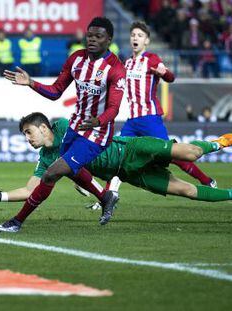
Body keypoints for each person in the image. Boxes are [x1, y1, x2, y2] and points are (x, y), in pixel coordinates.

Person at [0, 113, 232, 232]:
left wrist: (83, 178)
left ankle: (221, 142)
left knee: (191, 154)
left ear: (44, 127)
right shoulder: (47, 160)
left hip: (130, 150)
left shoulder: (64, 126)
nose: (27, 138)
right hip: (127, 173)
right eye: (25, 135)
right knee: (185, 190)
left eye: (29, 132)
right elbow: (31, 189)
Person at [1, 17, 126, 231]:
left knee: (51, 172)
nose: (92, 40)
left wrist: (98, 120)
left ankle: (17, 221)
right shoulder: (76, 59)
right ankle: (106, 197)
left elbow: (114, 108)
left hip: (97, 133)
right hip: (76, 127)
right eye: (90, 36)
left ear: (109, 40)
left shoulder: (115, 68)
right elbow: (56, 91)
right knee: (70, 171)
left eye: (99, 36)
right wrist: (31, 83)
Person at [92, 21, 216, 203]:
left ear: (147, 41)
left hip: (150, 119)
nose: (135, 38)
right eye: (133, 35)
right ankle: (107, 197)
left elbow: (170, 77)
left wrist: (164, 72)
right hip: (132, 121)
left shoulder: (151, 59)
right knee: (118, 157)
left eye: (140, 36)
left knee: (171, 154)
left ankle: (206, 180)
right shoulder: (127, 63)